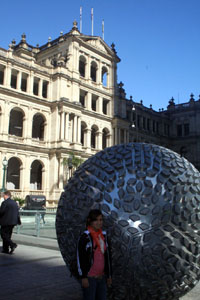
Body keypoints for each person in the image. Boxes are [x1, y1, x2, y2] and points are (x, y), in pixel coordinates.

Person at [77, 209, 112, 300]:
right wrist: (83, 277)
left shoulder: (103, 236)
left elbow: (107, 257)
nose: (99, 222)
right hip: (90, 278)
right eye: (96, 220)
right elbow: (80, 258)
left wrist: (109, 275)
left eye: (101, 220)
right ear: (90, 221)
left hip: (102, 277)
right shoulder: (85, 237)